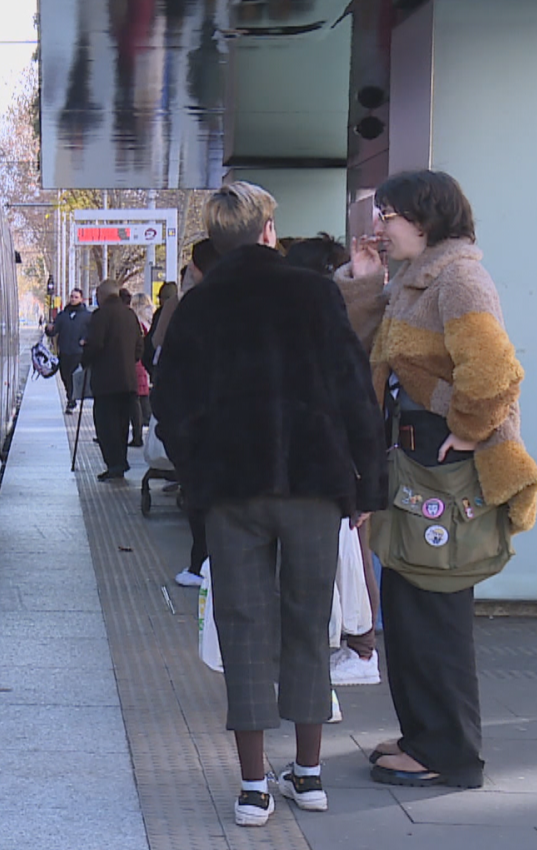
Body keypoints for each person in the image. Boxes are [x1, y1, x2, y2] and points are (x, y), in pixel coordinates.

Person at [154, 182, 385, 827]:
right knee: (311, 623)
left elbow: (170, 405)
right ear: (267, 230)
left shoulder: (201, 306)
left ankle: (253, 787)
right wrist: (366, 486)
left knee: (245, 630)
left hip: (232, 492)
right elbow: (352, 391)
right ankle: (308, 777)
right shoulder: (315, 294)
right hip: (312, 487)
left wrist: (200, 473)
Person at [336, 170, 537, 790]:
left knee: (434, 611)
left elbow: (495, 368)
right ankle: (424, 735)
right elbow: (369, 346)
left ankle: (450, 753)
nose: (380, 226)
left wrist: (472, 428)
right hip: (417, 461)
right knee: (408, 605)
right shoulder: (417, 278)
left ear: (425, 221)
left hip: (441, 464)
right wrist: (366, 280)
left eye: (389, 215)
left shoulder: (460, 278)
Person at [285, 234, 381, 686]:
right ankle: (356, 646)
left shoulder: (337, 311)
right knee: (346, 557)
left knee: (351, 558)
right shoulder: (335, 310)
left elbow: (354, 388)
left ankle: (361, 649)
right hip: (340, 453)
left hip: (340, 454)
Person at [169, 238, 221, 590]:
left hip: (204, 440)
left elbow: (169, 370)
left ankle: (201, 564)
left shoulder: (193, 307)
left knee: (205, 510)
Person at [81, 279, 143, 481]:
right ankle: (120, 462)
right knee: (122, 424)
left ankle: (114, 464)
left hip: (106, 382)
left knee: (106, 425)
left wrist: (85, 358)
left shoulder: (101, 316)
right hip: (127, 381)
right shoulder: (130, 315)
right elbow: (139, 349)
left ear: (102, 295)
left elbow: (96, 344)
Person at [44, 288, 91, 413]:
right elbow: (54, 331)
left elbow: (93, 332)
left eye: (76, 297)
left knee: (73, 376)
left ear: (81, 299)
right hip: (64, 351)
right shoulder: (63, 315)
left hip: (78, 352)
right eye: (72, 296)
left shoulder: (87, 316)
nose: (73, 299)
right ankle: (70, 395)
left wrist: (86, 340)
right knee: (65, 376)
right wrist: (49, 329)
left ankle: (71, 399)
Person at [122, 287, 151, 447]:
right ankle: (138, 433)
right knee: (139, 399)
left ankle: (137, 435)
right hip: (143, 364)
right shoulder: (148, 322)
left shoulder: (135, 322)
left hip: (135, 364)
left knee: (134, 401)